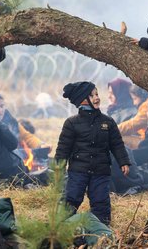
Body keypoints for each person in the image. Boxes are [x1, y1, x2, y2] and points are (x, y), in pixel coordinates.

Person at [55, 81, 131, 225]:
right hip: (78, 170)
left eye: (97, 94)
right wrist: (58, 166)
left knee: (101, 200)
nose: (97, 98)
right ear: (82, 100)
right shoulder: (71, 123)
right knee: (71, 198)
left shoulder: (108, 122)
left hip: (101, 170)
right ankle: (62, 226)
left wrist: (124, 161)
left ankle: (102, 229)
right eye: (92, 95)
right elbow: (63, 147)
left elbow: (117, 144)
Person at [0, 92, 50, 159]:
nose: (0, 111)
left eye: (2, 106)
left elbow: (27, 137)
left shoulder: (11, 122)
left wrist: (41, 145)